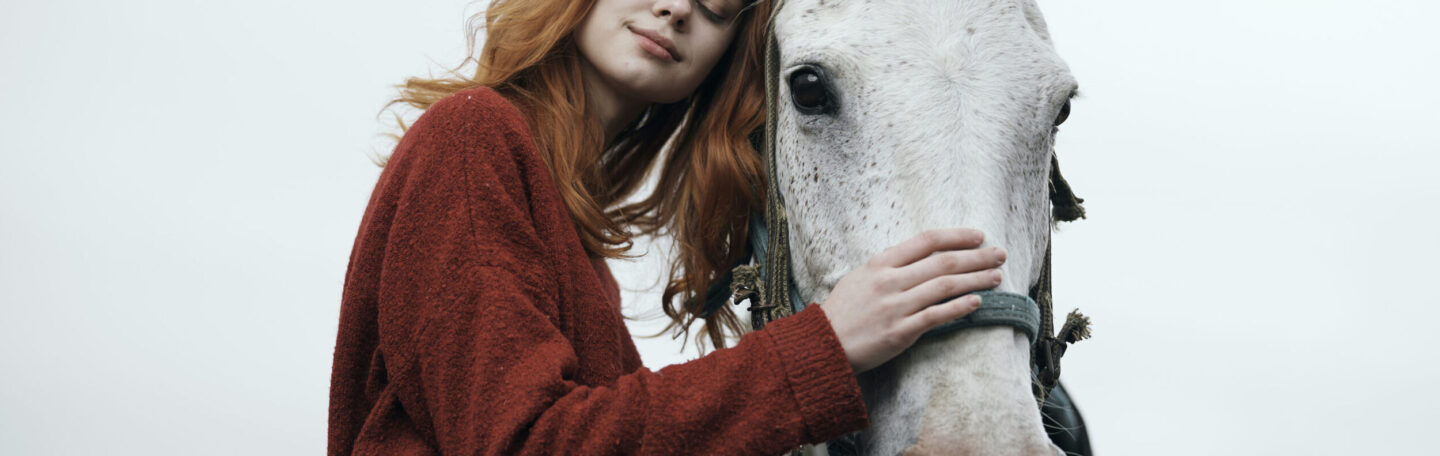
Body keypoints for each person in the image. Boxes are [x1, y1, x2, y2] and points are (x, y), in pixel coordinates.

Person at [328, 0, 1008, 454]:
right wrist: (824, 348)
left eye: (716, 7)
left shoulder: (562, 219)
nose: (679, 7)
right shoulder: (473, 135)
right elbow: (524, 441)